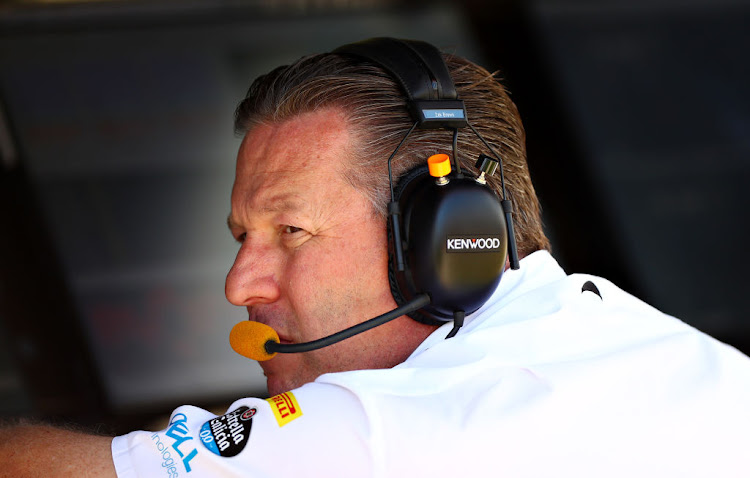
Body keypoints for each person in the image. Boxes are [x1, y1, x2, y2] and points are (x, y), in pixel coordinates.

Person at [2, 37, 750, 477]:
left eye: (291, 232)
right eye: (242, 238)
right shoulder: (695, 364)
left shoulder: (380, 432)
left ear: (449, 241)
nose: (241, 285)